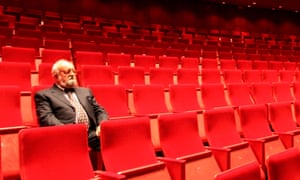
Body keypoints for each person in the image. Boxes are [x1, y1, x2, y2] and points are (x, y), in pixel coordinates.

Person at [34, 59, 108, 152]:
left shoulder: (85, 91)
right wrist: (69, 132)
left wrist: (102, 125)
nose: (72, 74)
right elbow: (47, 118)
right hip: (67, 136)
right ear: (56, 76)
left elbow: (99, 110)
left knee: (116, 141)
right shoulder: (44, 95)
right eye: (67, 72)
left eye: (73, 71)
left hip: (91, 134)